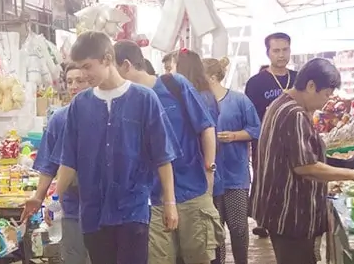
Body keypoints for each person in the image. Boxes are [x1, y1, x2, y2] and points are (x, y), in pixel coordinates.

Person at [53, 31, 180, 264]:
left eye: (88, 66)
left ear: (108, 58)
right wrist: (53, 198)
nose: (84, 75)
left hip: (133, 208)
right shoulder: (80, 106)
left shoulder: (144, 99)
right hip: (93, 212)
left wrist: (170, 203)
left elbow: (162, 157)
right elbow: (68, 159)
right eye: (80, 68)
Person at [248, 58, 354, 264]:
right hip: (290, 213)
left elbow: (303, 155)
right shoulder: (294, 114)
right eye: (326, 94)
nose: (326, 102)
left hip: (278, 210)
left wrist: (349, 164)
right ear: (310, 86)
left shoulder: (280, 104)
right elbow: (305, 166)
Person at [113, 40, 222, 264]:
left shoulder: (174, 84)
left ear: (126, 66)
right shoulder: (124, 101)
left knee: (199, 258)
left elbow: (207, 128)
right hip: (152, 201)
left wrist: (209, 171)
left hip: (192, 193)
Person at [21, 63, 90, 264]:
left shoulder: (105, 114)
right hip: (71, 207)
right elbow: (48, 164)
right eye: (70, 82)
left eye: (80, 80)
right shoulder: (59, 119)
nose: (74, 86)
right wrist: (38, 197)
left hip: (104, 208)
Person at [203, 57, 261, 264]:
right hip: (209, 178)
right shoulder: (199, 103)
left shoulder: (239, 100)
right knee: (214, 231)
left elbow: (256, 129)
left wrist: (235, 136)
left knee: (238, 228)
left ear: (212, 77)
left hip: (235, 175)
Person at [244, 33, 298, 238]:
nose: (281, 55)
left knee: (295, 176)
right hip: (265, 141)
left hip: (295, 138)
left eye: (285, 50)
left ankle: (291, 216)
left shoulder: (299, 78)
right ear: (268, 53)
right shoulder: (256, 83)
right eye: (276, 51)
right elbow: (250, 116)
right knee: (266, 179)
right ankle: (264, 220)